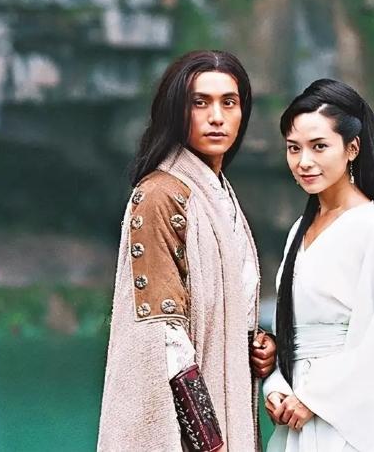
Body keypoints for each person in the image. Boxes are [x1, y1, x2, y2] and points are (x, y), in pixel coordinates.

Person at [98, 50, 276, 451]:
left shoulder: (220, 195)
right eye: (200, 103)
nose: (217, 117)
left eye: (229, 102)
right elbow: (165, 336)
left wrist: (257, 344)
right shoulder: (161, 195)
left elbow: (227, 305)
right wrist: (209, 442)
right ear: (176, 112)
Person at [263, 79, 374, 451]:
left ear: (352, 148)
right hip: (296, 417)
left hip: (345, 424)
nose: (304, 161)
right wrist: (275, 387)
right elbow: (292, 334)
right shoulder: (298, 232)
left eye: (319, 146)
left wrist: (315, 398)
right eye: (293, 148)